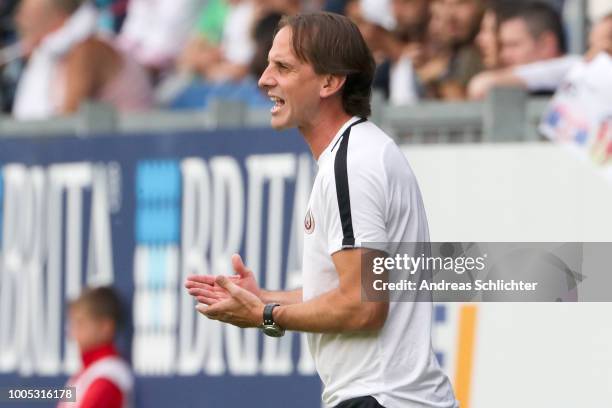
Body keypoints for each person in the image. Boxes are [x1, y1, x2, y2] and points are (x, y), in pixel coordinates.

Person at [185, 12, 457, 408]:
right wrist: (263, 297)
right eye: (267, 64)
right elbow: (349, 291)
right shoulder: (353, 154)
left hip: (381, 398)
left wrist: (266, 313)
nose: (264, 79)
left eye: (283, 67)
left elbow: (363, 306)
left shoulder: (352, 162)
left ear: (330, 82)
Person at [12, 0, 153, 120]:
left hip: (127, 148)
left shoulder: (87, 51)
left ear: (58, 19)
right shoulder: (57, 55)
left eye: (28, 14)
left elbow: (66, 123)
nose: (19, 19)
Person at [468, 13, 612, 99]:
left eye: (513, 45)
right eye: (591, 45)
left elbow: (480, 86)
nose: (504, 54)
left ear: (546, 44)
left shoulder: (574, 66)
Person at [58, 286, 133, 408]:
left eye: (80, 323)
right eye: (73, 324)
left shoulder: (109, 376)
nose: (72, 333)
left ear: (105, 327)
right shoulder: (86, 373)